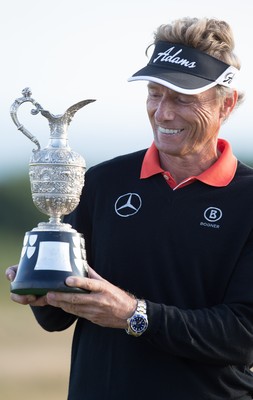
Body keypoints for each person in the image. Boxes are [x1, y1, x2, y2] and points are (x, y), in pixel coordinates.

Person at [6, 16, 253, 399]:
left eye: (183, 99)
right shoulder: (102, 183)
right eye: (155, 94)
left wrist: (134, 315)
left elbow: (243, 336)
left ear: (226, 104)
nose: (163, 113)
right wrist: (42, 289)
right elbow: (56, 320)